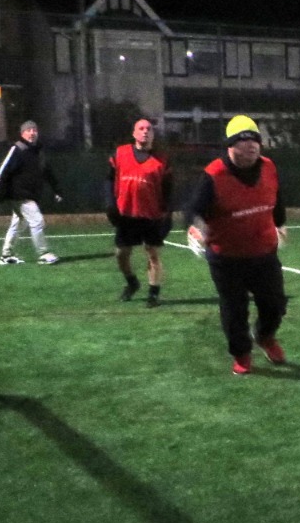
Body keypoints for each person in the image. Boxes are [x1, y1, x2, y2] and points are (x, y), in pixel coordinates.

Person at [184, 116, 289, 375]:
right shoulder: (214, 175)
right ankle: (241, 353)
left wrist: (281, 224)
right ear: (230, 146)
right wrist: (195, 229)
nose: (251, 146)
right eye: (243, 141)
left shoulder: (269, 167)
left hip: (264, 253)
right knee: (234, 311)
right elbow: (192, 210)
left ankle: (264, 336)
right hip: (226, 258)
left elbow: (277, 198)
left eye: (255, 140)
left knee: (275, 304)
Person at [108, 117, 173, 307]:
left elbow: (168, 188)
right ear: (134, 133)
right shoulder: (120, 153)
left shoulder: (162, 160)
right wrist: (110, 203)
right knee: (121, 253)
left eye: (149, 129)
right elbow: (109, 179)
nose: (145, 131)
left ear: (153, 134)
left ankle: (154, 293)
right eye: (141, 128)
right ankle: (132, 283)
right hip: (126, 213)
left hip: (151, 215)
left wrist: (167, 213)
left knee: (152, 254)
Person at [0, 119, 62, 265]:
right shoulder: (17, 149)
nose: (32, 133)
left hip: (30, 194)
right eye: (28, 130)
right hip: (19, 195)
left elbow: (47, 172)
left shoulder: (38, 151)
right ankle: (43, 253)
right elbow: (3, 170)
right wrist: (0, 190)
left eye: (34, 130)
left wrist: (57, 190)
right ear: (22, 133)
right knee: (37, 221)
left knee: (18, 224)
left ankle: (6, 255)